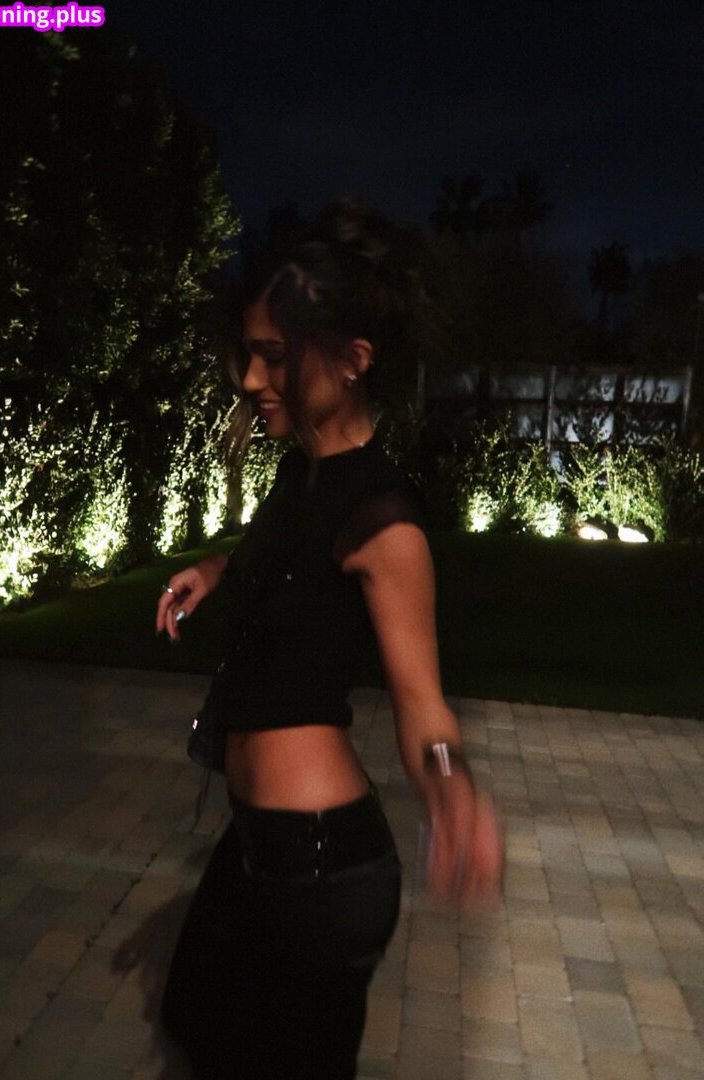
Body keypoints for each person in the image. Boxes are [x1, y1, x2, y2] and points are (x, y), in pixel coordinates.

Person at [155, 201, 503, 1079]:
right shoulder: (304, 473)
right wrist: (218, 571)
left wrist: (452, 789)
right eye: (249, 353)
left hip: (321, 871)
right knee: (194, 1014)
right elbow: (286, 556)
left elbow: (423, 704)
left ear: (352, 360)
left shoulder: (384, 521)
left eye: (275, 355)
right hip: (263, 844)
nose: (250, 378)